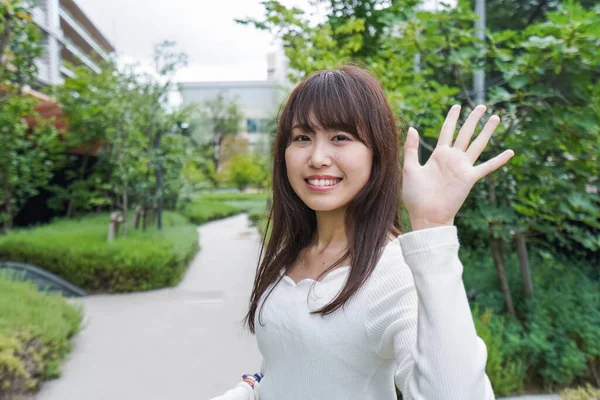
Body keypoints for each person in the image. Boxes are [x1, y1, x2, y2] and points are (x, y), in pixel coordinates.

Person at [209, 65, 514, 400]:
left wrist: (433, 229)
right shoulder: (292, 253)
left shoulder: (392, 271)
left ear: (376, 154)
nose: (317, 157)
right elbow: (287, 369)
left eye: (340, 137)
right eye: (302, 138)